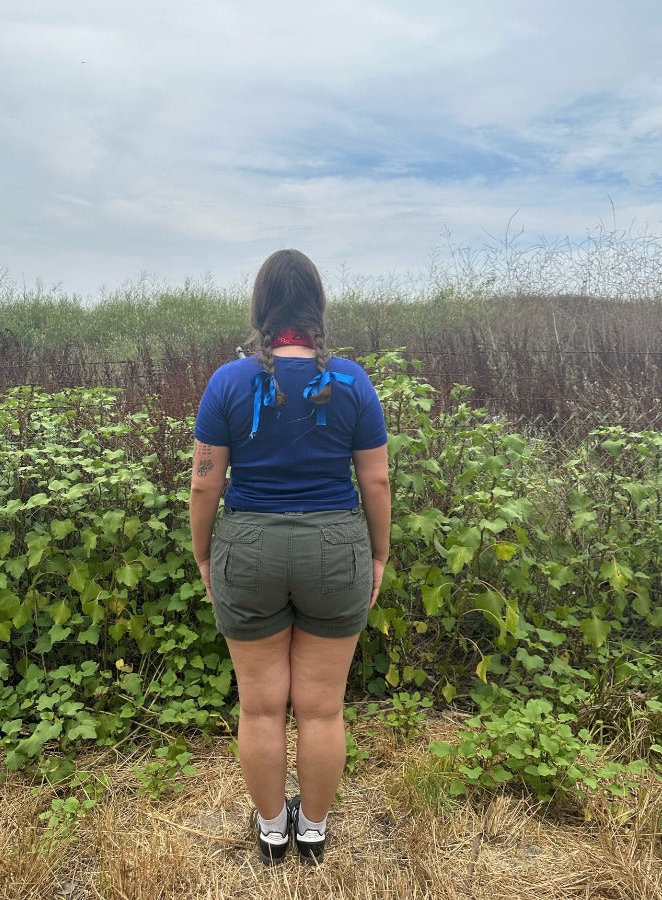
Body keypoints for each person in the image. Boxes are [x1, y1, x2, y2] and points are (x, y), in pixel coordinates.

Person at [189, 249, 390, 866]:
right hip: (335, 547)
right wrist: (378, 555)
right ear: (316, 309)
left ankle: (273, 829)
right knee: (324, 706)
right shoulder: (353, 381)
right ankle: (314, 830)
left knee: (260, 704)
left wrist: (204, 555)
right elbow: (376, 482)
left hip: (248, 547)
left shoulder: (228, 381)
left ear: (261, 310)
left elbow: (204, 482)